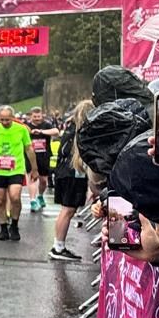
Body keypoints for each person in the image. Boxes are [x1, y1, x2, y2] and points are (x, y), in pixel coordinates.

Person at [0, 104, 35, 241]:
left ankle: (14, 225)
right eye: (2, 120)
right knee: (0, 200)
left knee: (15, 197)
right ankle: (3, 229)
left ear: (13, 118)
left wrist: (34, 169)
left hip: (15, 169)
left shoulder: (21, 129)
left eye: (7, 120)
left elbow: (29, 148)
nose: (4, 122)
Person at [51, 98, 93, 261]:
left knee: (67, 210)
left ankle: (58, 245)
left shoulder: (71, 128)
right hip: (72, 174)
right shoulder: (81, 131)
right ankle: (58, 247)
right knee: (67, 210)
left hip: (64, 172)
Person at [25, 107, 58, 213]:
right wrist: (30, 132)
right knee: (32, 178)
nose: (37, 119)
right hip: (30, 156)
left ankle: (40, 196)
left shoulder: (47, 124)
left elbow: (56, 131)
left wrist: (41, 131)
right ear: (31, 116)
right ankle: (32, 201)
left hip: (44, 155)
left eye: (38, 116)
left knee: (43, 180)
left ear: (42, 116)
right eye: (34, 117)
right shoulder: (26, 126)